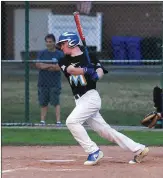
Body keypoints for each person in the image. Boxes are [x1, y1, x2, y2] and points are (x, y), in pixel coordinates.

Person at [54, 32, 149, 166]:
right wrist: (87, 70)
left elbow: (100, 71)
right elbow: (71, 70)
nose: (61, 47)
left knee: (71, 121)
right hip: (80, 100)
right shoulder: (63, 60)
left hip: (90, 97)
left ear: (71, 42)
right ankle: (139, 149)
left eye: (63, 44)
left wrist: (96, 75)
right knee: (105, 131)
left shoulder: (90, 56)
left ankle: (93, 151)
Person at [36, 34, 64, 126]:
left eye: (50, 42)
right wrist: (51, 65)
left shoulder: (59, 54)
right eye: (47, 42)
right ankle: (42, 121)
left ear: (54, 43)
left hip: (54, 82)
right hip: (43, 82)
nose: (48, 44)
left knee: (56, 102)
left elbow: (59, 67)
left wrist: (46, 66)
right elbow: (38, 65)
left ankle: (58, 121)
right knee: (43, 102)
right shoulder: (42, 53)